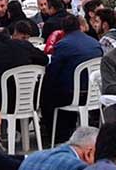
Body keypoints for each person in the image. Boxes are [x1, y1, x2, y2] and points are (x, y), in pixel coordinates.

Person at [43, 14, 102, 142]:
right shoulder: (95, 43)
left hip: (73, 95)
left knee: (46, 96)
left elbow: (53, 72)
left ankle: (58, 137)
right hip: (93, 94)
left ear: (63, 30)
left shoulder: (63, 45)